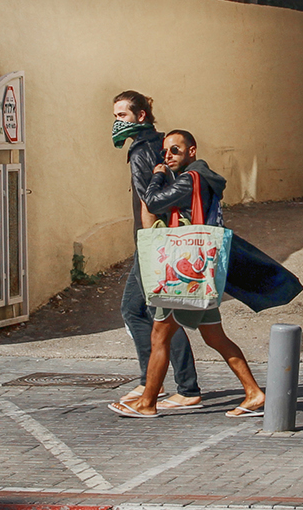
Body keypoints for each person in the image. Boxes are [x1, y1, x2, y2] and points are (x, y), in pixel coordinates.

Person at [113, 129, 266, 419]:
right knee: (215, 337)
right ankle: (254, 393)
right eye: (165, 151)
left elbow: (155, 202)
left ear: (192, 151)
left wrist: (156, 175)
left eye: (175, 151)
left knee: (160, 335)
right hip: (197, 275)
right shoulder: (199, 178)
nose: (167, 156)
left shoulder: (190, 179)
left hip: (182, 272)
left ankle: (148, 402)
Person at [110, 91, 202, 412]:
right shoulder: (160, 143)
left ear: (141, 116)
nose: (116, 122)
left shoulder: (141, 152)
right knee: (144, 310)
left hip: (155, 240)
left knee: (152, 313)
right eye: (115, 115)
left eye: (122, 116)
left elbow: (153, 200)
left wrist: (152, 242)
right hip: (163, 237)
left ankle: (183, 387)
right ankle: (156, 380)